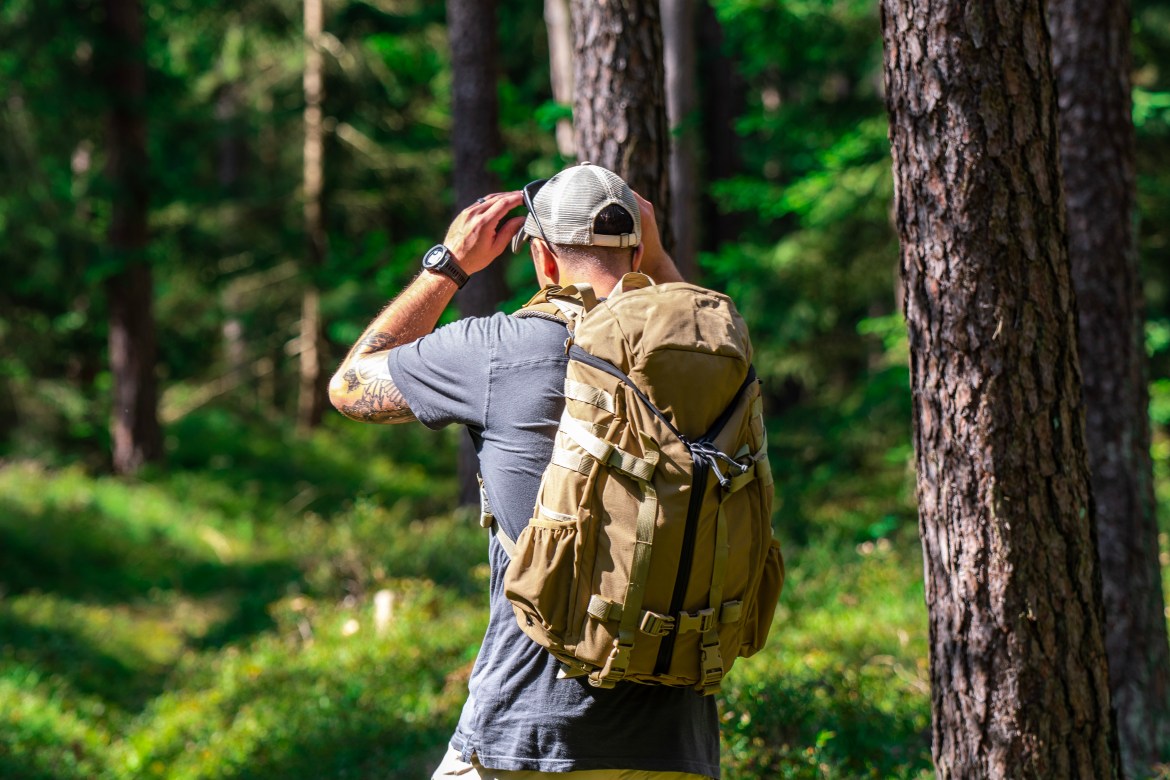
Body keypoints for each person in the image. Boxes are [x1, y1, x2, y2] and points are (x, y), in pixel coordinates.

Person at [328, 163, 719, 779]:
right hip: (677, 743)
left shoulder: (500, 349)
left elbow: (349, 386)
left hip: (530, 733)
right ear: (640, 247)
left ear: (542, 258)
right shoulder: (708, 364)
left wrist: (448, 266)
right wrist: (658, 251)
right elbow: (701, 326)